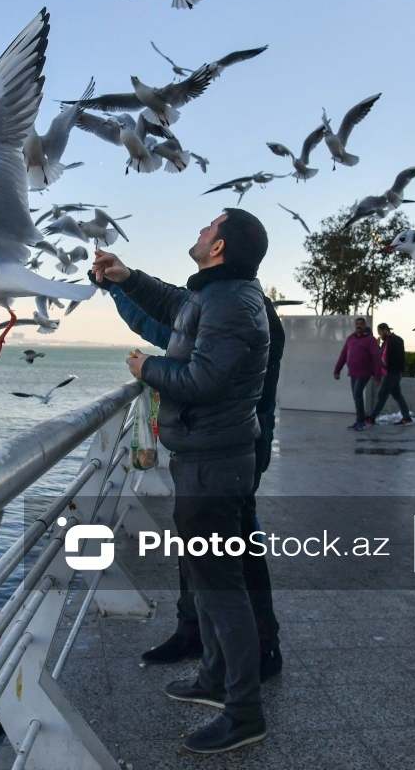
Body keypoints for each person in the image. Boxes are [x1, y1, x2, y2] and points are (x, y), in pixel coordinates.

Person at [93, 208, 270, 753]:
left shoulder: (235, 303)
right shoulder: (218, 294)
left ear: (219, 247)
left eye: (207, 226)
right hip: (211, 455)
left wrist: (146, 368)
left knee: (221, 588)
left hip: (214, 464)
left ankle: (244, 713)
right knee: (210, 578)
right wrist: (127, 277)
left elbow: (202, 379)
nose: (197, 229)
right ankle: (216, 678)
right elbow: (177, 304)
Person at [333, 317, 382, 430]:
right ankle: (359, 420)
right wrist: (337, 370)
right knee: (356, 397)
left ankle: (361, 421)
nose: (358, 326)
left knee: (357, 394)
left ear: (365, 326)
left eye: (361, 324)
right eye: (357, 324)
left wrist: (377, 376)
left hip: (364, 372)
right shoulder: (351, 339)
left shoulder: (370, 340)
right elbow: (343, 354)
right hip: (353, 372)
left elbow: (376, 358)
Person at [368, 322, 412, 425]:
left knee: (382, 394)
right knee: (397, 395)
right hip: (390, 372)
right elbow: (381, 356)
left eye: (380, 333)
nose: (380, 335)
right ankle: (406, 417)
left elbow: (396, 357)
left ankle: (372, 417)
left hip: (392, 372)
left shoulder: (396, 340)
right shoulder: (385, 342)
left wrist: (391, 366)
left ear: (384, 330)